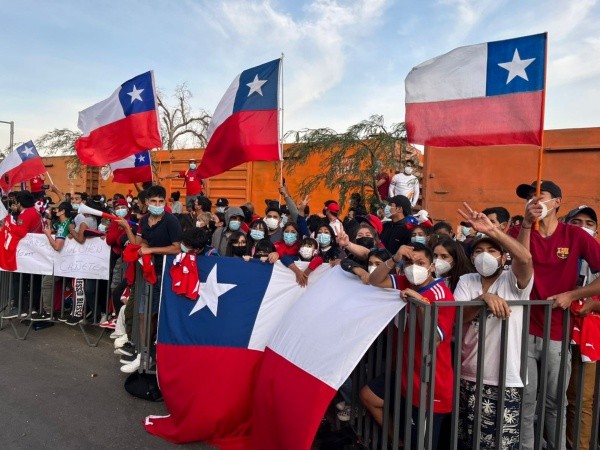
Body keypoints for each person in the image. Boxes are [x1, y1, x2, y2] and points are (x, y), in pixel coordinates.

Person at [508, 180, 600, 450]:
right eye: (529, 197)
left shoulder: (576, 236)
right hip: (522, 329)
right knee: (525, 400)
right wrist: (526, 225)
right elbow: (519, 263)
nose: (534, 201)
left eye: (541, 196)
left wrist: (572, 295)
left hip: (557, 332)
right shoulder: (517, 230)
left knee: (554, 402)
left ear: (557, 202)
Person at [454, 204, 534, 449]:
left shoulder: (513, 280)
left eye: (491, 250)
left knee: (500, 443)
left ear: (503, 256)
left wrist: (494, 231)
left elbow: (525, 257)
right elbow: (460, 317)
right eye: (478, 250)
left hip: (505, 378)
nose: (485, 255)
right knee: (468, 440)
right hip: (468, 374)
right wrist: (483, 299)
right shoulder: (467, 280)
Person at [364, 242, 455, 449]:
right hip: (407, 375)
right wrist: (394, 258)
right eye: (409, 262)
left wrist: (422, 304)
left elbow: (433, 340)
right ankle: (399, 441)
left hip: (430, 385)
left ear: (432, 266)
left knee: (422, 444)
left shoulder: (442, 295)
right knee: (369, 396)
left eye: (421, 262)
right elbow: (374, 280)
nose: (414, 267)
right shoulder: (407, 280)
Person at [564, 205, 600, 450]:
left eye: (588, 223)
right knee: (558, 398)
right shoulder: (560, 256)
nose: (583, 228)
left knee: (582, 399)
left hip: (591, 337)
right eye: (576, 222)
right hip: (559, 332)